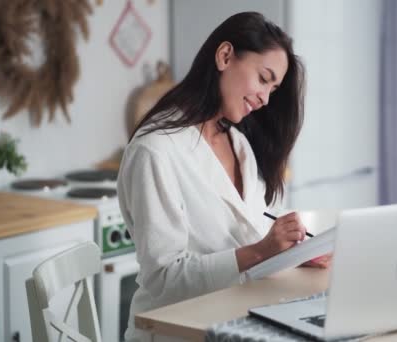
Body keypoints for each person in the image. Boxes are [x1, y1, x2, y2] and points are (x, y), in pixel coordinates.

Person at [117, 11, 331, 341]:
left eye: (273, 89)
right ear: (225, 56)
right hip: (176, 332)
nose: (265, 99)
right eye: (264, 78)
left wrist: (295, 254)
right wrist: (263, 250)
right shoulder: (155, 151)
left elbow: (251, 238)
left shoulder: (240, 145)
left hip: (236, 318)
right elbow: (163, 279)